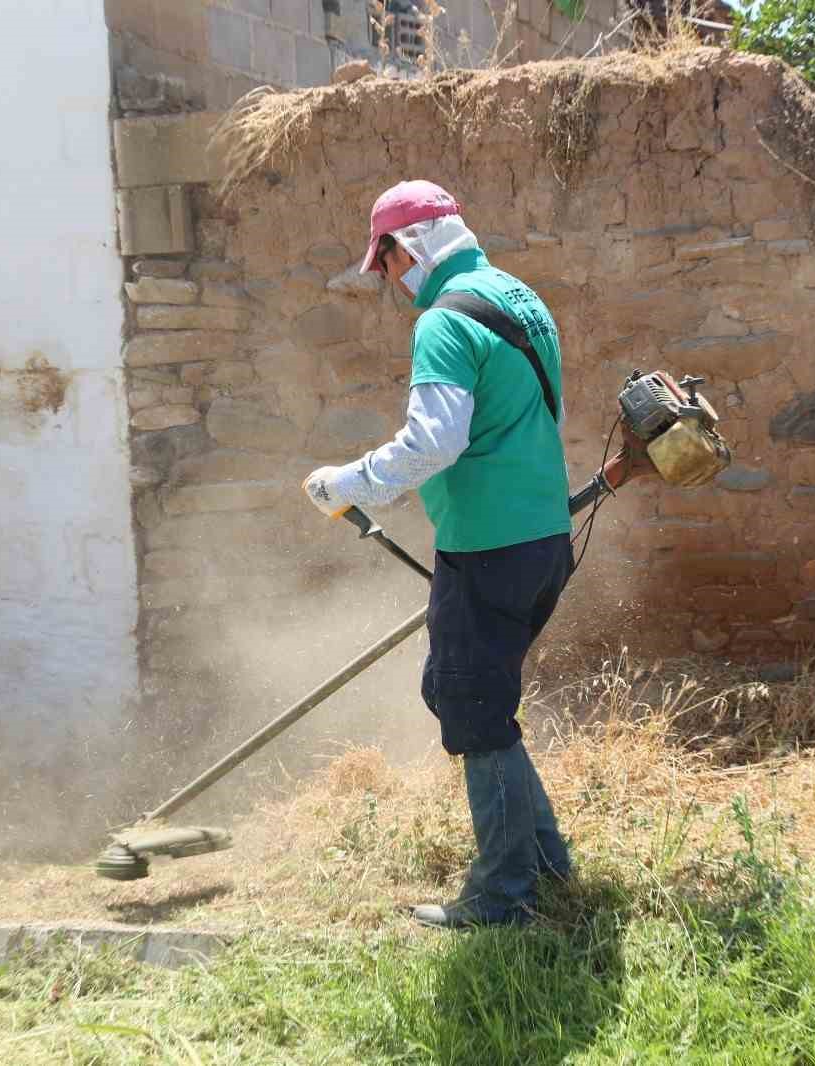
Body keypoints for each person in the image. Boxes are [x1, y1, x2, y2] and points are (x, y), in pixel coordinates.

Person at [302, 180, 574, 929]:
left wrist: (344, 482)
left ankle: (502, 897)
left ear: (406, 246)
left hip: (487, 545)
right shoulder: (521, 298)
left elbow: (434, 441)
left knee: (475, 709)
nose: (387, 280)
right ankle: (547, 861)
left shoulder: (444, 323)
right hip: (544, 539)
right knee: (473, 696)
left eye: (384, 262)